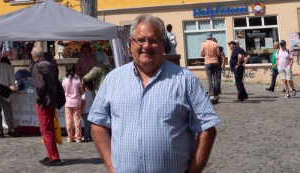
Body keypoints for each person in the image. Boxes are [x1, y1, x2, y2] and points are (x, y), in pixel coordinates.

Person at [90, 14, 219, 173]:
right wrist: (111, 167)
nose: (147, 46)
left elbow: (208, 128)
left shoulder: (185, 79)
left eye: (153, 40)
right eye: (141, 40)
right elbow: (98, 124)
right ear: (130, 44)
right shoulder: (113, 79)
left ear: (163, 44)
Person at [31, 46, 62, 166]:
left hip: (44, 101)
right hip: (52, 99)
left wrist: (39, 99)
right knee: (49, 128)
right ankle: (50, 154)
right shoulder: (50, 65)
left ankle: (54, 156)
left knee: (46, 129)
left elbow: (40, 86)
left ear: (34, 56)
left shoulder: (37, 67)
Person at [61, 64, 85, 142]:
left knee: (68, 120)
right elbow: (82, 92)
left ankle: (70, 137)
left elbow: (62, 92)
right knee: (77, 120)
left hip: (68, 102)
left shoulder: (64, 81)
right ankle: (78, 137)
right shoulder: (78, 80)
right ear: (74, 71)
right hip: (77, 102)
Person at [200, 34, 221, 100]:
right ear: (211, 37)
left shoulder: (203, 44)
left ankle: (211, 94)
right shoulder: (215, 43)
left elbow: (201, 54)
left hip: (207, 62)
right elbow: (219, 54)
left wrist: (206, 54)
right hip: (215, 62)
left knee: (209, 79)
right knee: (216, 78)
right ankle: (216, 94)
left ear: (206, 37)